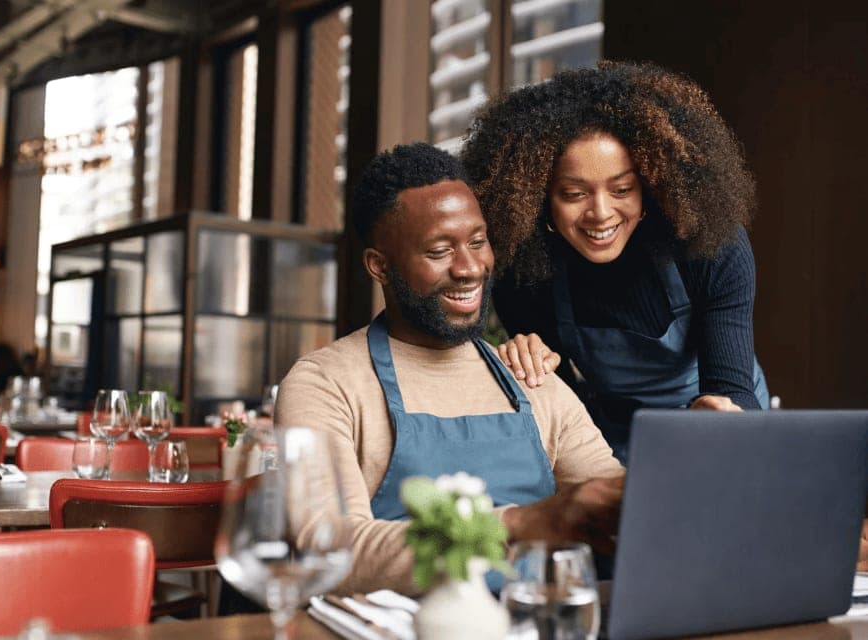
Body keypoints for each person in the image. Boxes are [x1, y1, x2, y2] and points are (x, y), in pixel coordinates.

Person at [275, 143, 624, 595]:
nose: (470, 268)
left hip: (536, 636)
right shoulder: (326, 384)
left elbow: (612, 501)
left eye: (478, 242)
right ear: (380, 266)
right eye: (440, 251)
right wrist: (521, 523)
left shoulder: (530, 375)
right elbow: (327, 547)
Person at [460, 61, 769, 463]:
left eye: (622, 188)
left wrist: (719, 415)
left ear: (650, 184)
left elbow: (733, 388)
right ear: (538, 199)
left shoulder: (708, 244)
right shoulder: (525, 270)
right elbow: (564, 409)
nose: (601, 213)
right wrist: (530, 365)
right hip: (616, 437)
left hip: (720, 426)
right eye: (573, 194)